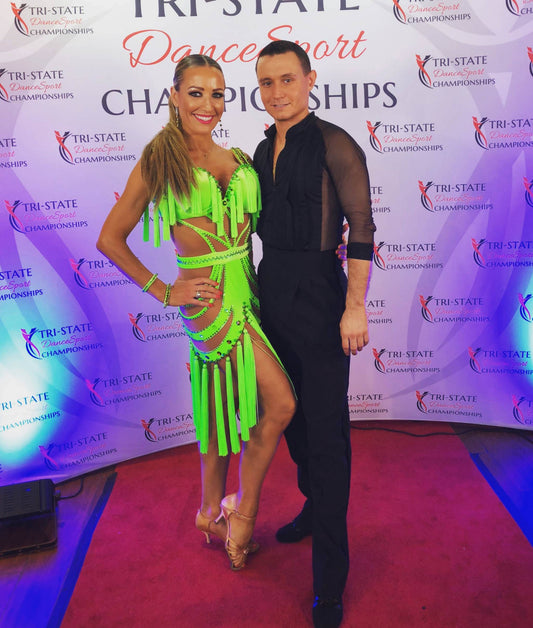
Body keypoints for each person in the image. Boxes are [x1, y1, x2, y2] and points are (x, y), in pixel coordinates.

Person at [97, 54, 295, 572]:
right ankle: (241, 514)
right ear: (175, 96)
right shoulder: (159, 162)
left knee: (225, 410)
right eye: (196, 93)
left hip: (249, 295)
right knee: (279, 404)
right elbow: (109, 238)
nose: (208, 104)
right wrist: (164, 290)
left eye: (217, 94)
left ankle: (210, 512)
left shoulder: (238, 157)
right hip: (208, 306)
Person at [253, 41, 376, 628]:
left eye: (287, 79)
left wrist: (354, 307)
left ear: (309, 79)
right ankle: (311, 504)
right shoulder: (260, 148)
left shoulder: (336, 143)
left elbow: (362, 228)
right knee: (291, 420)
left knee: (326, 437)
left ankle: (329, 582)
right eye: (267, 82)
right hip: (270, 292)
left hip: (322, 298)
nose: (277, 92)